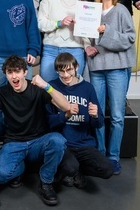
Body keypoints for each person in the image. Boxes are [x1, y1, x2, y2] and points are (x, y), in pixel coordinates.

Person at [0, 55, 76, 207]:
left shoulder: (37, 89)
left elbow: (66, 107)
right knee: (0, 175)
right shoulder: (3, 92)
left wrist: (46, 86)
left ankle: (46, 183)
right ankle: (21, 168)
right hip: (14, 143)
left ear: (25, 72)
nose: (14, 76)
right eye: (10, 72)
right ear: (6, 75)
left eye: (17, 71)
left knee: (57, 141)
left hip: (39, 141)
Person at [86, 0, 136, 175]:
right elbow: (88, 40)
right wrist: (88, 47)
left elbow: (130, 38)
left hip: (117, 69)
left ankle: (113, 157)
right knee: (96, 114)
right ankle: (100, 153)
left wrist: (106, 32)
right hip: (96, 69)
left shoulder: (121, 10)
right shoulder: (91, 11)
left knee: (116, 116)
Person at [48, 53, 114, 188]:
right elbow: (48, 123)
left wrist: (95, 115)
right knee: (70, 167)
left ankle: (77, 171)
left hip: (84, 144)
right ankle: (70, 171)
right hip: (64, 144)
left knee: (108, 170)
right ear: (57, 71)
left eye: (69, 70)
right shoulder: (52, 87)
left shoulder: (88, 88)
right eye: (61, 71)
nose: (66, 75)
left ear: (76, 67)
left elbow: (99, 123)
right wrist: (65, 115)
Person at [37, 0, 93, 82]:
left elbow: (87, 34)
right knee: (48, 89)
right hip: (51, 50)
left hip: (75, 51)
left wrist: (87, 46)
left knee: (73, 89)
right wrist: (59, 23)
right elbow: (40, 24)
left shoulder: (86, 5)